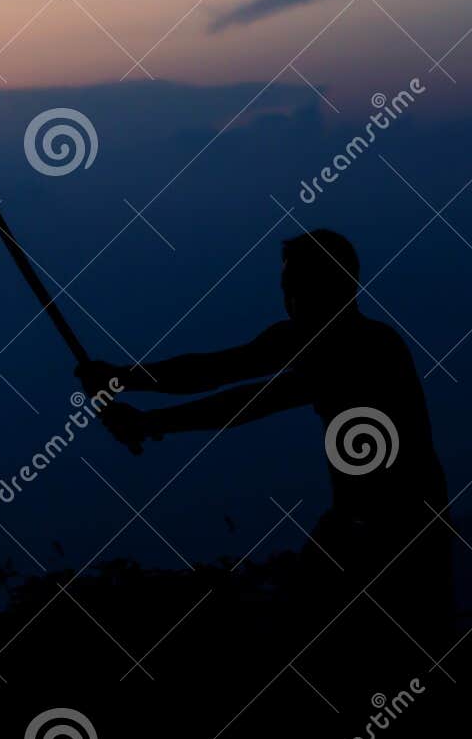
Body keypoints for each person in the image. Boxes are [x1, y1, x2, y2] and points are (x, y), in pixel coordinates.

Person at [76, 229, 452, 652]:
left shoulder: (367, 347)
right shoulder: (303, 339)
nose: (291, 299)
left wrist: (145, 414)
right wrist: (123, 379)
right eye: (288, 288)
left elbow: (249, 399)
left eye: (300, 287)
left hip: (404, 527)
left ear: (338, 285)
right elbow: (216, 369)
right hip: (357, 521)